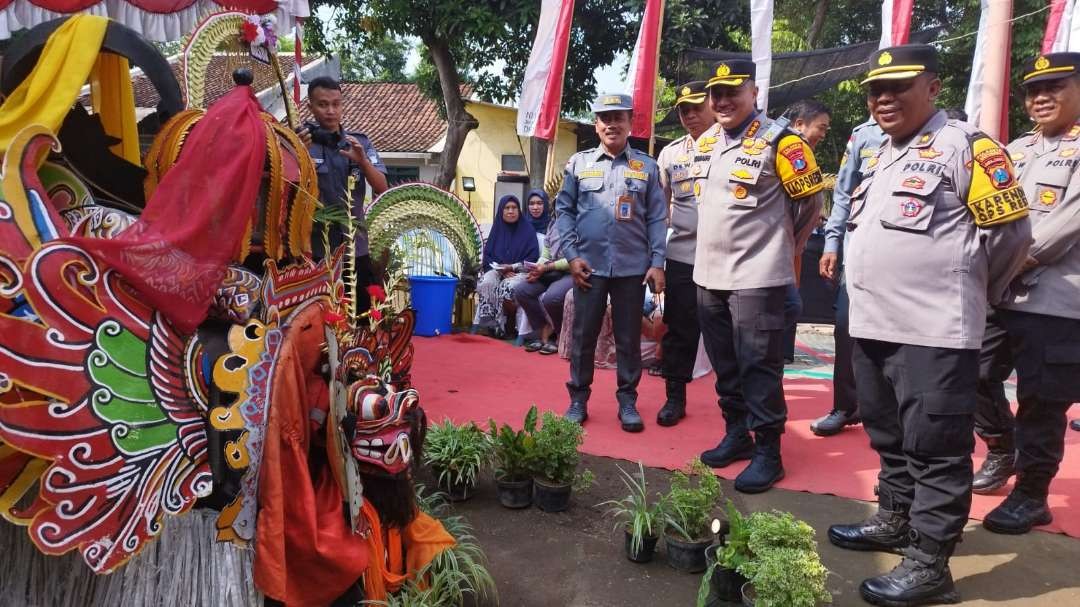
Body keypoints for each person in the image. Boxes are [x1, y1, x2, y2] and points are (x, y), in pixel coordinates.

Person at [827, 45, 1031, 607]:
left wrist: (976, 294)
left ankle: (929, 564)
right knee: (888, 435)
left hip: (934, 331)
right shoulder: (878, 153)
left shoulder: (967, 147)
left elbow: (1013, 234)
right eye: (875, 90)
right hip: (873, 326)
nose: (883, 98)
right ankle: (895, 519)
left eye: (898, 86)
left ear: (934, 87)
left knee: (935, 448)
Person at [694, 59, 824, 494]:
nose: (724, 100)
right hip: (708, 274)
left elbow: (810, 205)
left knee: (758, 367)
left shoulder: (782, 142)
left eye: (733, 91)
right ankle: (738, 434)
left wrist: (788, 248)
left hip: (757, 276)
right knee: (724, 364)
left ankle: (769, 451)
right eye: (717, 94)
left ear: (754, 93)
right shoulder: (707, 141)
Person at [975, 52, 1080, 535]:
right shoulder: (1015, 150)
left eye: (1054, 87)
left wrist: (991, 263)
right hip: (1000, 293)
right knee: (971, 373)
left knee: (1041, 401)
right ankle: (1001, 448)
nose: (1040, 98)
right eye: (1033, 90)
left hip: (1054, 302)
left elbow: (1055, 235)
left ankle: (1033, 494)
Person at [556, 93, 667, 433]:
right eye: (605, 118)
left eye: (619, 117)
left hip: (631, 269)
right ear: (596, 124)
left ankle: (628, 401)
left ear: (630, 122)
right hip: (588, 268)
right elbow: (564, 212)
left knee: (628, 339)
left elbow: (657, 219)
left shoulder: (647, 168)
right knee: (583, 337)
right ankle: (578, 400)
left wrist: (657, 261)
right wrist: (572, 257)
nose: (612, 124)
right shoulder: (579, 164)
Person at [814, 117, 885, 436]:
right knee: (846, 327)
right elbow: (843, 194)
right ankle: (846, 405)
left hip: (908, 254)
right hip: (859, 251)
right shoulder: (863, 136)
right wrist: (832, 243)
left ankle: (888, 415)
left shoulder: (938, 133)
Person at [654, 81, 717, 427]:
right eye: (684, 110)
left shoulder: (731, 145)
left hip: (726, 257)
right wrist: (656, 261)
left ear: (711, 105)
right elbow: (657, 213)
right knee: (679, 330)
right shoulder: (670, 154)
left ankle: (735, 409)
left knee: (731, 334)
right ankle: (674, 397)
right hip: (682, 256)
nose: (690, 115)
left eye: (696, 107)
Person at [301, 77, 389, 306]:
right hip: (315, 250)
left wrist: (362, 161)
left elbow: (382, 187)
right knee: (318, 319)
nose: (331, 111)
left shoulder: (359, 143)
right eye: (322, 104)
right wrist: (297, 150)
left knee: (358, 318)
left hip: (355, 248)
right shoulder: (302, 141)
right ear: (310, 106)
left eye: (336, 104)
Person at [782, 99, 832, 364]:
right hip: (782, 246)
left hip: (791, 246)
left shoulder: (802, 150)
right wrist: (795, 240)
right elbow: (808, 203)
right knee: (788, 305)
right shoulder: (789, 147)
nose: (823, 135)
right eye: (821, 128)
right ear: (799, 124)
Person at [476, 195, 539, 335]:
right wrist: (501, 269)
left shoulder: (527, 230)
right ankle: (490, 324)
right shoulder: (497, 228)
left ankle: (507, 324)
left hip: (520, 272)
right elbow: (488, 256)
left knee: (507, 286)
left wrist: (513, 267)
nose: (511, 211)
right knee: (486, 281)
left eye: (514, 208)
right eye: (507, 208)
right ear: (501, 210)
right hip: (498, 270)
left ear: (519, 210)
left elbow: (533, 258)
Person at [514, 208, 574, 354]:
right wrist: (538, 267)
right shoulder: (554, 223)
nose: (562, 207)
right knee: (522, 290)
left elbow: (575, 258)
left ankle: (558, 335)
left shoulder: (582, 223)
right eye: (559, 204)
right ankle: (541, 331)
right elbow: (547, 251)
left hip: (571, 272)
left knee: (552, 298)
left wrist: (546, 267)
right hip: (550, 271)